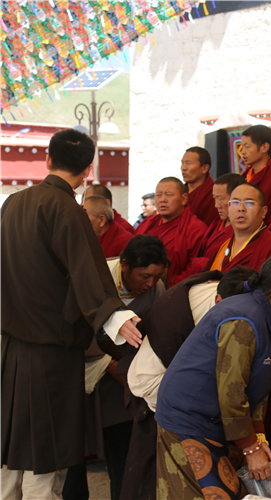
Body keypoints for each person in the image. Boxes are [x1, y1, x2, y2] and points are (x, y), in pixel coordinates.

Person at [1, 128, 142, 500]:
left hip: (11, 349)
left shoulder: (12, 204)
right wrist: (116, 316)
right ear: (87, 171)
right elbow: (88, 273)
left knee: (11, 451)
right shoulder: (67, 209)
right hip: (51, 355)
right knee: (44, 456)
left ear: (47, 159)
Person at [155, 252, 271, 500]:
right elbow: (232, 390)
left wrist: (258, 435)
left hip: (216, 420)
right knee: (209, 494)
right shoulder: (244, 320)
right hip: (188, 417)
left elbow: (260, 384)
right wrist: (250, 448)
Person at [122, 267, 255, 500]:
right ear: (218, 300)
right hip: (156, 394)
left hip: (190, 407)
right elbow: (144, 381)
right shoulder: (217, 313)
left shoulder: (237, 306)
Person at [63, 235, 169, 500]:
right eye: (144, 276)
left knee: (122, 444)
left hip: (125, 374)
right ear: (124, 266)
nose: (150, 284)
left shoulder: (156, 290)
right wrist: (108, 364)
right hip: (84, 367)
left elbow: (156, 334)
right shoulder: (95, 281)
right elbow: (76, 328)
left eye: (157, 277)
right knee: (74, 445)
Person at [174, 183, 271, 284]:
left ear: (263, 211)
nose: (241, 209)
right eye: (235, 203)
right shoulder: (224, 244)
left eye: (249, 203)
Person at [135, 177, 208, 286]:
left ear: (184, 199)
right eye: (158, 195)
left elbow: (195, 268)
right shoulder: (147, 223)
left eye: (169, 195)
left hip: (175, 289)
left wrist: (169, 289)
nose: (163, 199)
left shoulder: (196, 228)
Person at [241, 125, 271, 228]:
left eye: (247, 146)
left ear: (264, 147)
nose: (243, 151)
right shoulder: (245, 176)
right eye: (242, 147)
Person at [196, 173, 246, 261]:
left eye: (221, 199)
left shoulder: (245, 230)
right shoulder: (217, 223)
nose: (216, 205)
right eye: (215, 198)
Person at [182, 146, 219, 226]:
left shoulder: (214, 193)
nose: (183, 168)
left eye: (188, 163)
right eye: (182, 163)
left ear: (204, 168)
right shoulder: (179, 191)